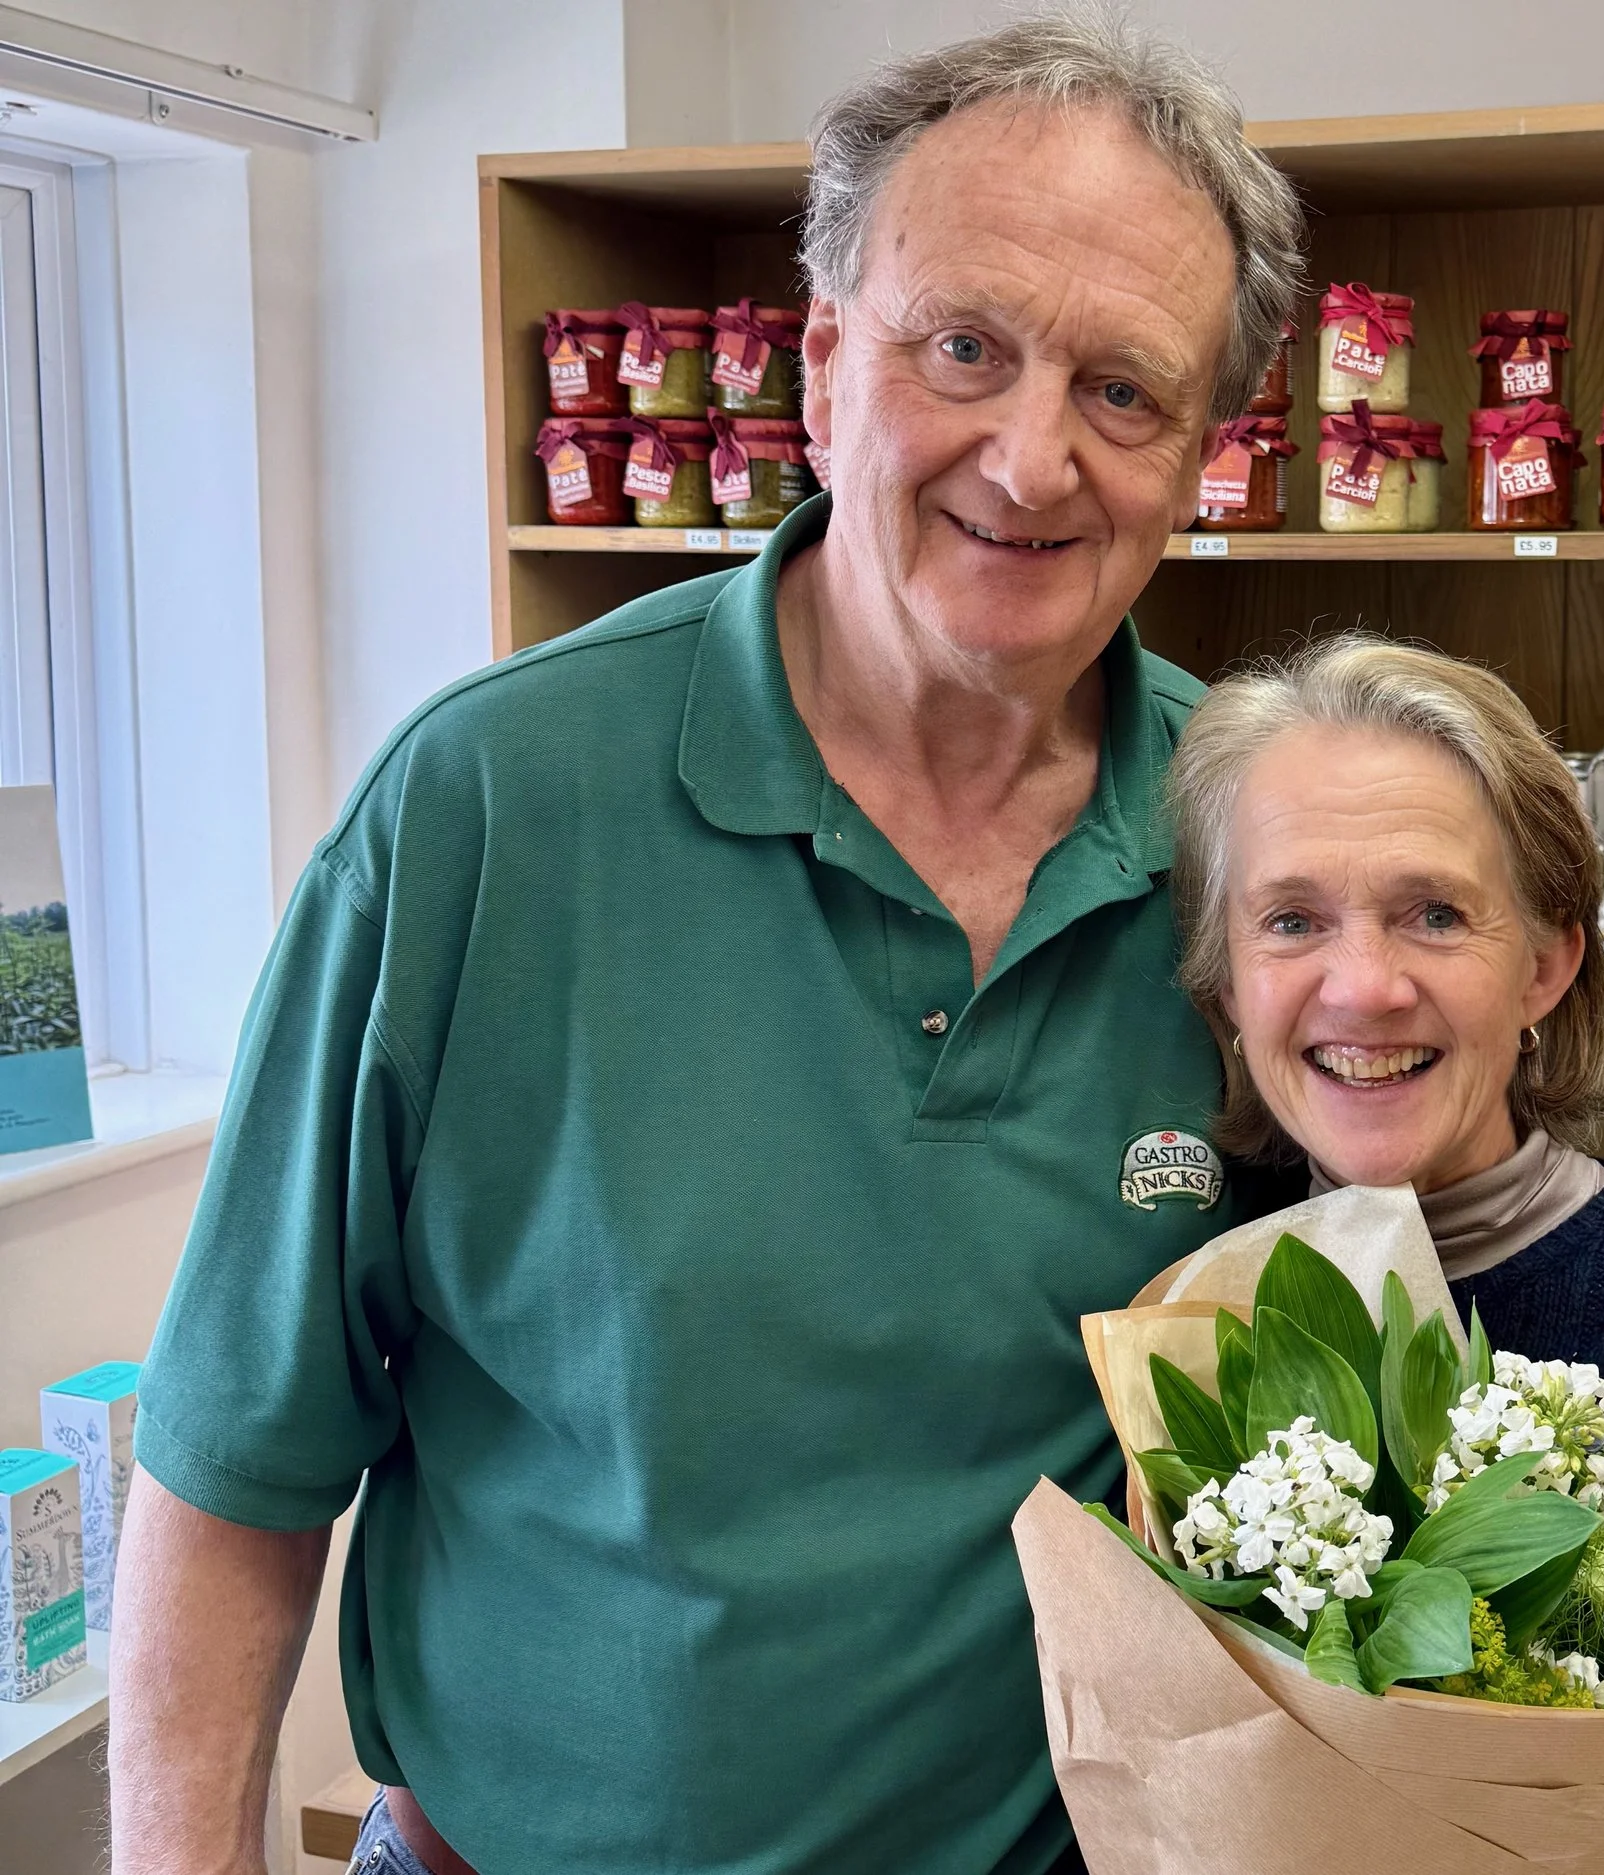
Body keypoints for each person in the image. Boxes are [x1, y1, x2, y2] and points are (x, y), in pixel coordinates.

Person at [111, 16, 1303, 1875]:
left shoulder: (1259, 848)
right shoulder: (487, 810)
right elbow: (231, 1471)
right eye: (964, 347)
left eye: (1124, 393)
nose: (1033, 455)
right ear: (824, 365)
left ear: (1205, 460)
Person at [1165, 636, 1604, 1496]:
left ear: (1545, 967)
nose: (1365, 988)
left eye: (1435, 913)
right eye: (1292, 920)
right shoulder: (1194, 1312)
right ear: (1225, 989)